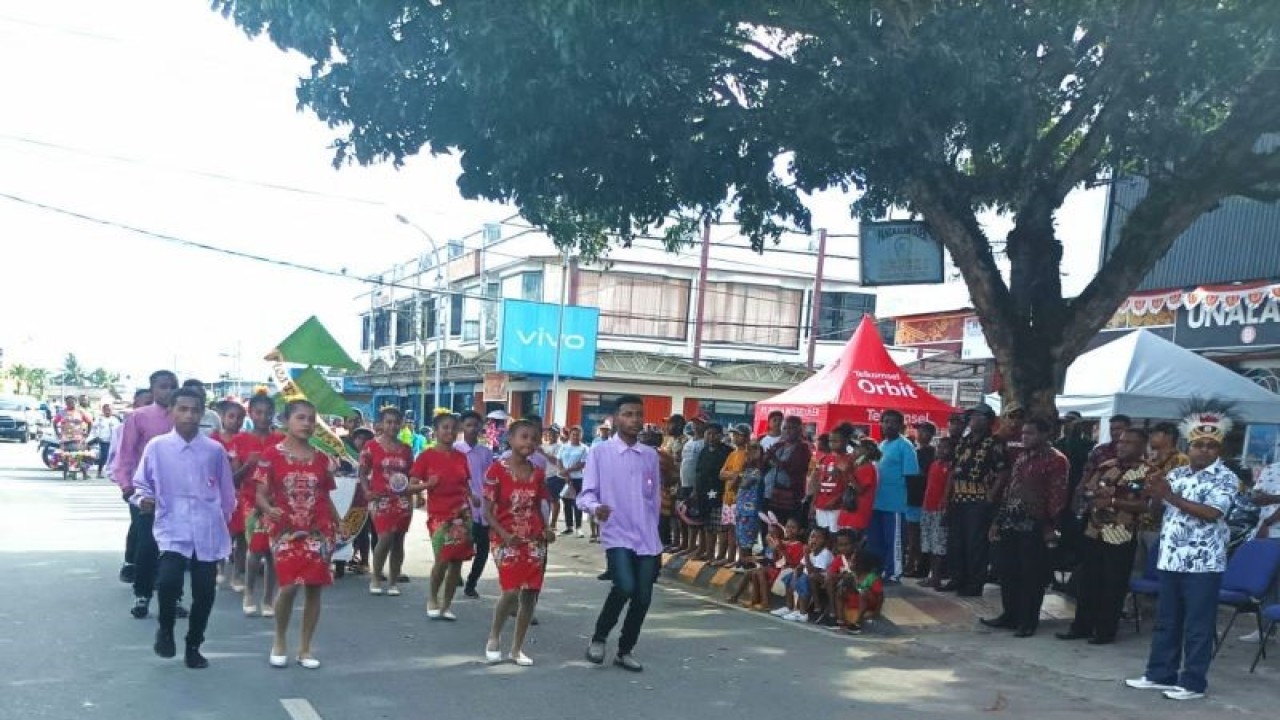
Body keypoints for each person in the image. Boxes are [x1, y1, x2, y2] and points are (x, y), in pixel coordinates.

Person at [1126, 410, 1238, 701]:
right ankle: (1159, 674)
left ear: (1219, 449)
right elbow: (1158, 511)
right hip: (1171, 557)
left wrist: (1169, 496)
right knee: (1167, 621)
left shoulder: (1226, 478)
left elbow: (1213, 513)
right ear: (1189, 447)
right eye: (1198, 444)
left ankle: (1193, 683)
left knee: (1197, 626)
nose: (1203, 449)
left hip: (1203, 563)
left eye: (1210, 445)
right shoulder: (1176, 474)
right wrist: (1152, 494)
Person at [129, 387, 235, 669]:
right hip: (172, 527)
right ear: (172, 412)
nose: (189, 415)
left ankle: (194, 644)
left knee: (204, 592)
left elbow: (227, 494)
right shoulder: (157, 447)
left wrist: (227, 526)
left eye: (194, 410)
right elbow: (140, 484)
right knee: (167, 582)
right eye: (183, 409)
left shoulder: (214, 450)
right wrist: (144, 499)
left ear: (202, 413)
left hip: (207, 530)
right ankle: (165, 630)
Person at [256, 399, 341, 669]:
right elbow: (259, 493)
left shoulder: (322, 459)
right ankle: (279, 640)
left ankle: (305, 648)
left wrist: (339, 523)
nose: (307, 423)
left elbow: (325, 494)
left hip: (319, 529)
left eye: (311, 419)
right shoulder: (271, 455)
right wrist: (269, 508)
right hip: (285, 530)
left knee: (314, 588)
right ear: (285, 421)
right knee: (289, 586)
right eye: (301, 418)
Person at [580, 395, 662, 672]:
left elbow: (654, 497)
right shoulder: (600, 452)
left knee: (643, 596)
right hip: (617, 532)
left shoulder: (649, 455)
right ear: (615, 419)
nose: (635, 419)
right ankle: (599, 637)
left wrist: (655, 527)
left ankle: (625, 649)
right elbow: (586, 492)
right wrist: (595, 508)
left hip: (647, 535)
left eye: (639, 414)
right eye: (628, 414)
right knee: (625, 585)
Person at [1057, 428, 1156, 645]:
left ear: (1142, 447)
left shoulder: (1148, 472)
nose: (1122, 445)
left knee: (1112, 585)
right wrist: (1090, 496)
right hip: (1094, 530)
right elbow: (1088, 491)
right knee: (1087, 582)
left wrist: (1112, 502)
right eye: (1121, 441)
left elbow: (1145, 506)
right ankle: (1081, 626)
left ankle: (1104, 631)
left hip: (1121, 533)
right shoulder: (1106, 466)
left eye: (1129, 442)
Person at [982, 418, 1068, 638]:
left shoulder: (1056, 460)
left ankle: (1028, 621)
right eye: (1023, 433)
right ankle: (1010, 615)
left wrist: (1049, 525)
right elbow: (1010, 490)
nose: (1024, 437)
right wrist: (998, 521)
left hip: (1036, 525)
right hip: (1012, 521)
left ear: (1044, 434)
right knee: (1007, 571)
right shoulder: (1021, 457)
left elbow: (1057, 497)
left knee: (1031, 576)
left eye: (1030, 433)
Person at [482, 419, 555, 666]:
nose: (530, 442)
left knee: (530, 594)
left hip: (533, 539)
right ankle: (494, 636)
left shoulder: (538, 473)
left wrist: (547, 529)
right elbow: (488, 512)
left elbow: (543, 504)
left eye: (535, 438)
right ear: (511, 440)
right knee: (511, 590)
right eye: (524, 437)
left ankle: (517, 648)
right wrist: (503, 534)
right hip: (505, 539)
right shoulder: (496, 471)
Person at [113, 370, 180, 620]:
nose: (168, 391)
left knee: (176, 547)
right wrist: (126, 486)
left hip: (177, 493)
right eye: (163, 386)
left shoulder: (182, 417)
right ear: (152, 389)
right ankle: (142, 595)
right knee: (148, 544)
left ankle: (174, 598)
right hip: (145, 491)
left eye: (172, 386)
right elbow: (126, 454)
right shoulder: (139, 418)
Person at [941, 403, 1009, 597]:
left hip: (979, 498)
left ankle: (974, 583)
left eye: (978, 416)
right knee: (956, 541)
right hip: (958, 497)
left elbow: (1003, 471)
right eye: (972, 417)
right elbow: (953, 471)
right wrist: (947, 496)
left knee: (975, 543)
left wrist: (991, 495)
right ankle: (957, 578)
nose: (973, 420)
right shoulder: (964, 442)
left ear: (988, 421)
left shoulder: (995, 442)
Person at [411, 412, 474, 619]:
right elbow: (411, 486)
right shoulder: (426, 456)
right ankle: (432, 598)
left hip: (462, 516)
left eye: (454, 428)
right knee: (442, 559)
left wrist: (473, 498)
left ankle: (447, 605)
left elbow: (465, 483)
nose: (450, 431)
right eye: (445, 427)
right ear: (436, 431)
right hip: (439, 516)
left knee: (457, 562)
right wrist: (427, 486)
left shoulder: (462, 457)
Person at [232, 394, 286, 613]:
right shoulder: (240, 440)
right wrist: (247, 466)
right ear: (250, 413)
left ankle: (268, 599)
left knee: (273, 550)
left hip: (276, 500)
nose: (263, 417)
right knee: (255, 548)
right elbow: (233, 478)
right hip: (250, 501)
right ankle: (249, 593)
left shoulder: (281, 440)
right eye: (258, 412)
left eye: (268, 412)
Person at [360, 406, 415, 596]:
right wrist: (367, 490)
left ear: (401, 425)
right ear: (381, 424)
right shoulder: (371, 446)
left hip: (402, 501)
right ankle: (376, 577)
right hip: (380, 499)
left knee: (399, 540)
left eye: (396, 422)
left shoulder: (407, 449)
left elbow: (411, 475)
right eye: (388, 422)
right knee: (385, 537)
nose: (392, 426)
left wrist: (414, 497)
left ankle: (393, 581)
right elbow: (362, 471)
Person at [869, 410, 920, 582]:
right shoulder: (881, 445)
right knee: (877, 541)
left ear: (901, 426)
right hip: (877, 503)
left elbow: (912, 477)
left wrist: (909, 505)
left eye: (893, 422)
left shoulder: (905, 446)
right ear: (881, 424)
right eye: (886, 421)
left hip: (895, 504)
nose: (889, 425)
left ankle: (894, 574)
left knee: (894, 541)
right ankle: (880, 570)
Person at [111, 388, 152, 584]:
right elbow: (119, 457)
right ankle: (132, 565)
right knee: (140, 527)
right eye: (144, 403)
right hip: (137, 486)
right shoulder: (125, 427)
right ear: (135, 405)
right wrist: (126, 485)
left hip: (163, 488)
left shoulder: (170, 423)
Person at [457, 410, 496, 599]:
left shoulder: (486, 452)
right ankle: (454, 573)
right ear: (462, 427)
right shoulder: (456, 450)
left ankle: (471, 583)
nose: (473, 429)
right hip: (461, 507)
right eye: (469, 425)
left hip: (482, 508)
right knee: (458, 545)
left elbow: (490, 479)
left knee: (482, 549)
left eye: (476, 425)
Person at [919, 437, 955, 589]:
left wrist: (945, 505)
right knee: (929, 544)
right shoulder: (934, 464)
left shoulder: (951, 467)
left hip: (939, 510)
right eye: (939, 447)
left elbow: (948, 489)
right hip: (927, 507)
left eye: (945, 448)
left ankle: (937, 578)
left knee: (938, 545)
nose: (941, 450)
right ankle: (932, 576)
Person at [692, 423, 731, 561]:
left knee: (720, 527)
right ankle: (708, 553)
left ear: (721, 436)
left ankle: (720, 555)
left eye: (714, 434)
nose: (711, 437)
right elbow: (698, 471)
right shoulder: (704, 450)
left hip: (720, 493)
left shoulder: (727, 451)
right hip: (703, 492)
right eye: (708, 433)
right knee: (706, 525)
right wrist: (695, 490)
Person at [762, 415, 811, 526]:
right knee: (768, 527)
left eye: (791, 428)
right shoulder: (778, 445)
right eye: (785, 428)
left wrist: (776, 460)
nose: (787, 431)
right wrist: (766, 457)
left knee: (783, 527)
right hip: (769, 493)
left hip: (789, 497)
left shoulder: (803, 447)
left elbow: (796, 468)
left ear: (799, 430)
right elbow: (764, 464)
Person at [904, 422, 936, 577]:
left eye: (924, 431)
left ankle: (916, 565)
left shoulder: (931, 453)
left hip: (920, 498)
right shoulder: (914, 450)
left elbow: (923, 474)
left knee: (917, 534)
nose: (920, 434)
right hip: (909, 497)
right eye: (919, 431)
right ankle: (912, 563)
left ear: (931, 435)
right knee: (911, 534)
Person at [812, 423, 856, 533]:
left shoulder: (850, 459)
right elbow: (819, 482)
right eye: (831, 441)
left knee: (836, 535)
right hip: (821, 504)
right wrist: (813, 502)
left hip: (837, 506)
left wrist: (836, 499)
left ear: (846, 441)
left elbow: (849, 485)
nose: (832, 444)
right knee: (822, 534)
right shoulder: (825, 459)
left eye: (836, 441)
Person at [89, 403, 120, 478]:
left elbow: (119, 430)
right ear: (103, 410)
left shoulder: (115, 420)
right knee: (104, 456)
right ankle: (99, 472)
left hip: (113, 440)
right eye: (106, 410)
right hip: (103, 440)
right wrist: (96, 437)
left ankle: (114, 473)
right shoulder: (99, 419)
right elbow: (94, 429)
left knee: (114, 456)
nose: (108, 411)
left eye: (109, 410)